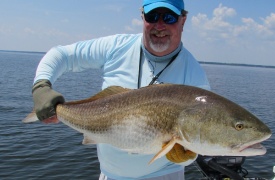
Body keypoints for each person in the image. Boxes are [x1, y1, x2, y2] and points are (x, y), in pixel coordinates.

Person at [32, 0, 210, 179]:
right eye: (152, 16)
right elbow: (60, 55)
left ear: (183, 20)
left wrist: (185, 156)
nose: (160, 25)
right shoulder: (117, 47)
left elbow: (199, 144)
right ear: (142, 16)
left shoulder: (195, 78)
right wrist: (41, 87)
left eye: (169, 17)